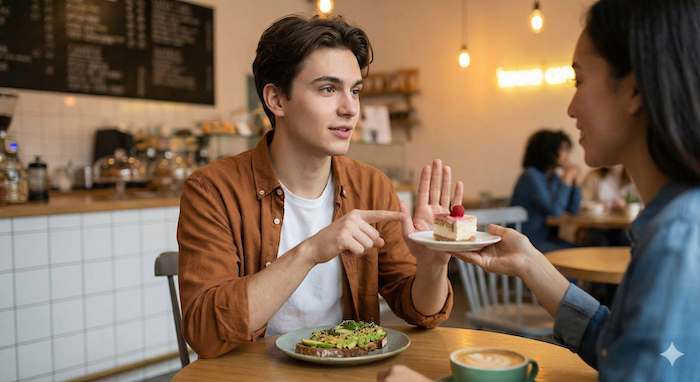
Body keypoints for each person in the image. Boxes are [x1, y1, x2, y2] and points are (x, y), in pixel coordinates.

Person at [379, 0, 700, 380]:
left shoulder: (678, 238)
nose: (570, 108)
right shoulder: (674, 223)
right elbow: (620, 347)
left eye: (578, 80)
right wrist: (530, 263)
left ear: (635, 90)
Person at [177, 14, 462, 359]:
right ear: (276, 100)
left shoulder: (371, 185)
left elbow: (419, 311)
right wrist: (311, 251)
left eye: (355, 90)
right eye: (328, 89)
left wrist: (433, 266)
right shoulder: (212, 190)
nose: (350, 108)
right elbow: (205, 329)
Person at [510, 129, 584, 253]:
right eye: (563, 150)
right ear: (549, 152)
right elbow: (555, 211)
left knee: (586, 250)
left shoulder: (552, 177)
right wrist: (566, 180)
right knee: (579, 253)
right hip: (528, 242)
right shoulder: (531, 176)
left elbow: (573, 209)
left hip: (546, 238)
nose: (567, 155)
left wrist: (577, 184)